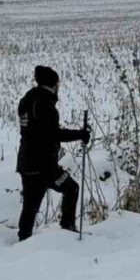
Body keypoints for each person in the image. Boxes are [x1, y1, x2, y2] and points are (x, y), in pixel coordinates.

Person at [16, 65, 90, 241]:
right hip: (43, 167)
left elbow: (39, 132)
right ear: (53, 84)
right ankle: (67, 231)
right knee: (71, 189)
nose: (59, 86)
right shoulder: (44, 103)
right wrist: (80, 134)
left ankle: (23, 241)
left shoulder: (28, 98)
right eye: (58, 83)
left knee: (30, 207)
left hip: (28, 163)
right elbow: (52, 134)